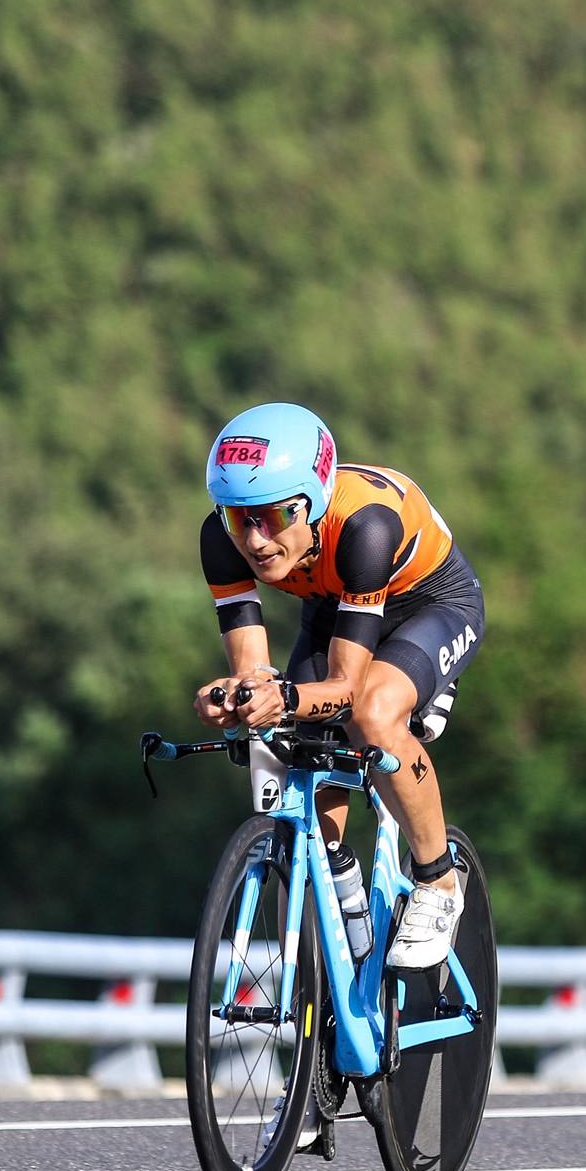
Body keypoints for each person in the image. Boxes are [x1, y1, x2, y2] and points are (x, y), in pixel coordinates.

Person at [193, 402, 484, 969]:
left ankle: (439, 879)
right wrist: (235, 697)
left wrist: (295, 697)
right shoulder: (220, 538)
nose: (253, 540)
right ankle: (324, 939)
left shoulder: (364, 528)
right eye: (238, 517)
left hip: (430, 605)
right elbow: (256, 673)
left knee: (372, 714)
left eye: (272, 517)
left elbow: (344, 690)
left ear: (312, 501)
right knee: (290, 746)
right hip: (335, 609)